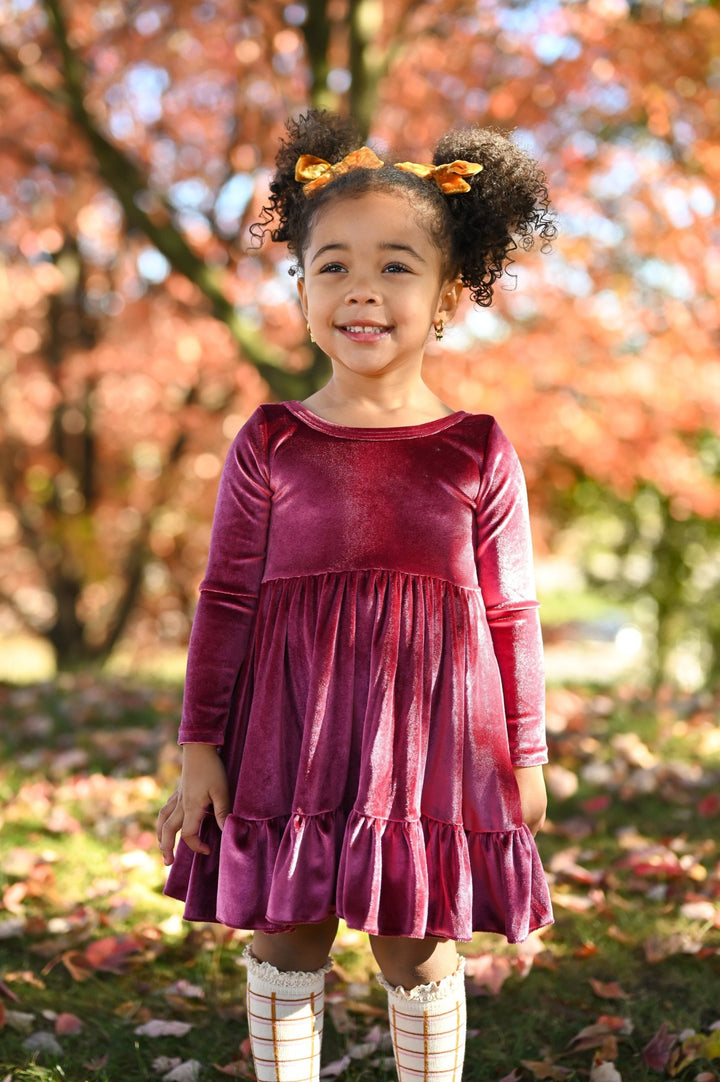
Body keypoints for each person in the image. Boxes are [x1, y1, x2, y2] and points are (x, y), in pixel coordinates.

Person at [157, 108, 556, 1082]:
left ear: (449, 294)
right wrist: (200, 748)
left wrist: (528, 755)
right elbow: (225, 601)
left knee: (415, 938)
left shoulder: (477, 448)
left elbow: (513, 615)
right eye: (332, 264)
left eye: (395, 266)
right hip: (289, 730)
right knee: (288, 928)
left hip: (428, 747)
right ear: (298, 288)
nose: (361, 290)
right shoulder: (272, 441)